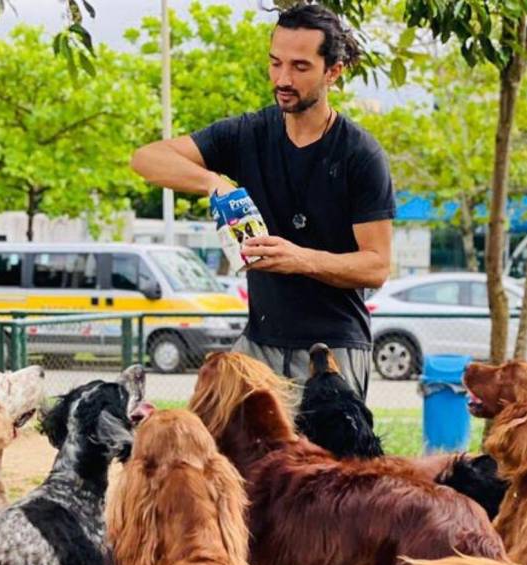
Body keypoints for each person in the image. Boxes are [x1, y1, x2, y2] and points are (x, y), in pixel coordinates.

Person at [130, 4, 394, 399]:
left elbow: (377, 265)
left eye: (300, 67)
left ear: (333, 71)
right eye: (275, 63)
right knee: (220, 456)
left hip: (333, 351)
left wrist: (300, 259)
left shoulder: (360, 154)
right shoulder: (247, 134)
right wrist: (211, 181)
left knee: (329, 464)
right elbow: (145, 159)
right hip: (257, 345)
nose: (283, 78)